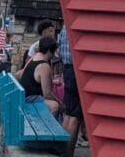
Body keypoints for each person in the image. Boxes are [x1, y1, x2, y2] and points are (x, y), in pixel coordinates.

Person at [58, 25, 84, 157]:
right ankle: (67, 154)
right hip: (78, 72)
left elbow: (59, 49)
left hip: (67, 69)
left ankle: (62, 151)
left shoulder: (64, 27)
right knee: (75, 117)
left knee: (68, 115)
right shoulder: (80, 25)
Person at [20, 35, 61, 115]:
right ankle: (46, 127)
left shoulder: (33, 58)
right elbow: (47, 94)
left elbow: (34, 79)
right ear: (49, 51)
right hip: (29, 99)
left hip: (23, 97)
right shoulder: (44, 66)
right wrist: (60, 103)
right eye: (54, 51)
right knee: (54, 106)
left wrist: (52, 80)